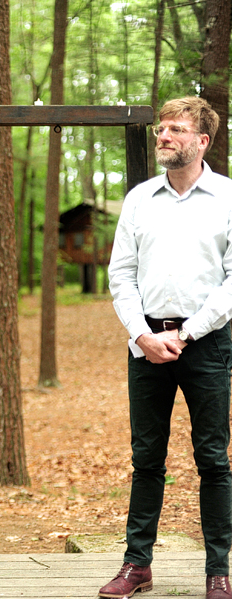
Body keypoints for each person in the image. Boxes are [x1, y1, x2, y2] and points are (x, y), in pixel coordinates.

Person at [103, 96, 232, 599]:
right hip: (146, 343)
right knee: (147, 459)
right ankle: (137, 566)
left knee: (213, 460)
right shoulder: (138, 200)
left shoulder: (227, 197)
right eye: (162, 128)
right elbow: (122, 275)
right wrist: (141, 335)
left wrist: (188, 333)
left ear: (202, 141)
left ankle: (217, 570)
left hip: (207, 344)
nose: (164, 136)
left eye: (177, 129)